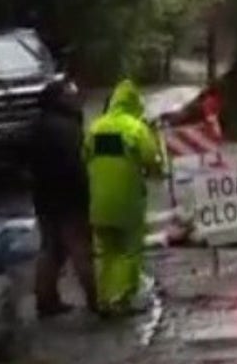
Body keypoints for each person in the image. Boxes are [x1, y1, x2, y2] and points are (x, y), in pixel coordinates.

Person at [84, 79, 163, 316]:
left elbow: (84, 156)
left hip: (98, 203)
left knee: (106, 253)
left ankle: (105, 298)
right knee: (129, 251)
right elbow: (152, 160)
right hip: (127, 202)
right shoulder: (136, 129)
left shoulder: (95, 128)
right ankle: (120, 298)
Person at [29, 79, 97, 317]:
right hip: (70, 197)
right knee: (81, 249)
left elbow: (13, 148)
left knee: (51, 249)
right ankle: (96, 300)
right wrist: (88, 192)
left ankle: (45, 300)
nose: (76, 99)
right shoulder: (67, 129)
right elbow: (76, 166)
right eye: (71, 95)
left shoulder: (36, 125)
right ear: (60, 100)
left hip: (44, 196)